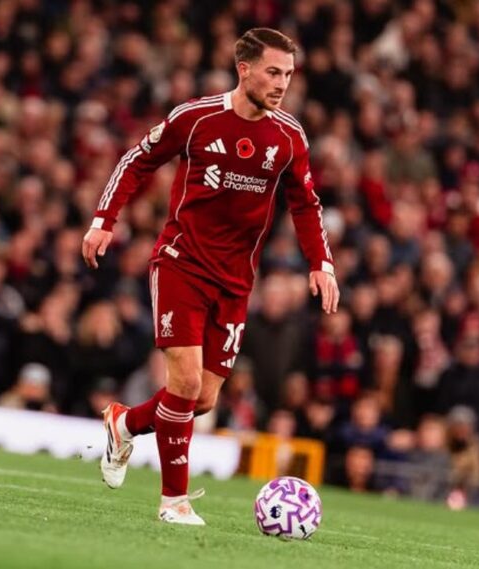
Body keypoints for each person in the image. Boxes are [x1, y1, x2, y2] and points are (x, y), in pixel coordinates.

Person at [81, 28, 339, 526]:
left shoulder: (289, 136)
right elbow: (138, 160)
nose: (282, 83)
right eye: (272, 72)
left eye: (288, 74)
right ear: (244, 69)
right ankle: (173, 502)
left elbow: (306, 204)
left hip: (236, 281)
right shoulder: (196, 118)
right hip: (181, 262)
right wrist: (103, 220)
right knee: (184, 380)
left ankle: (124, 423)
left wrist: (321, 264)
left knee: (200, 399)